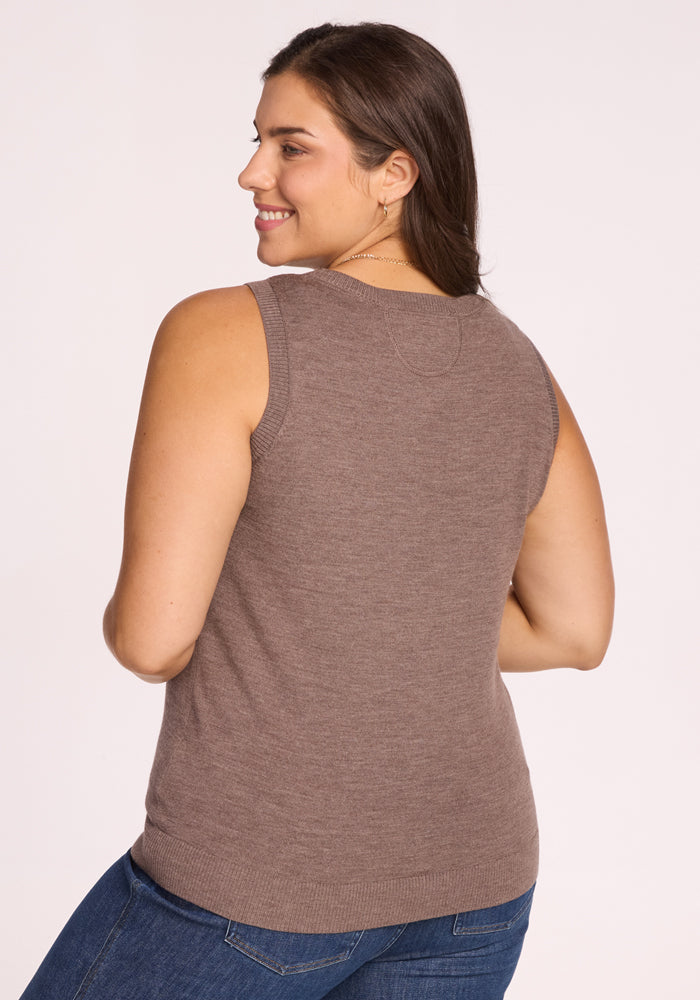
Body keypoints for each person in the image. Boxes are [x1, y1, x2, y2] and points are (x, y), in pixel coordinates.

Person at [20, 22, 614, 1000]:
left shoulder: (224, 332)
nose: (253, 172)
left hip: (254, 882)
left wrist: (253, 613)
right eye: (256, 139)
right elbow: (574, 627)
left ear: (394, 174)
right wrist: (367, 616)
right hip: (474, 888)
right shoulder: (520, 369)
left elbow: (150, 640)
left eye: (292, 147)